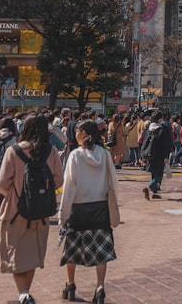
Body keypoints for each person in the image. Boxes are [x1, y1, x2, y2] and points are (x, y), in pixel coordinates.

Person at [0, 114, 65, 304]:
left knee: (16, 253)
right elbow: (59, 180)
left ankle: (23, 293)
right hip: (41, 211)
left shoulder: (14, 151)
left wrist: (12, 193)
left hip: (15, 210)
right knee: (32, 255)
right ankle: (26, 292)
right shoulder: (50, 152)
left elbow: (2, 183)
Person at [59, 119, 119, 304]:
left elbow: (69, 186)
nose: (75, 135)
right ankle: (100, 288)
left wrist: (63, 213)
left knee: (72, 249)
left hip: (79, 208)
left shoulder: (76, 156)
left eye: (77, 132)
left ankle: (70, 284)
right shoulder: (105, 154)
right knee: (102, 251)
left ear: (84, 133)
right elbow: (113, 183)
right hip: (101, 207)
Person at [139, 111, 172, 199]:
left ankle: (154, 192)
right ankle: (148, 188)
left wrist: (142, 155)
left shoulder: (148, 129)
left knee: (153, 173)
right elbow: (164, 144)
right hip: (159, 155)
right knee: (159, 174)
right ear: (159, 119)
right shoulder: (162, 130)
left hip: (149, 154)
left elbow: (144, 143)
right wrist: (166, 156)